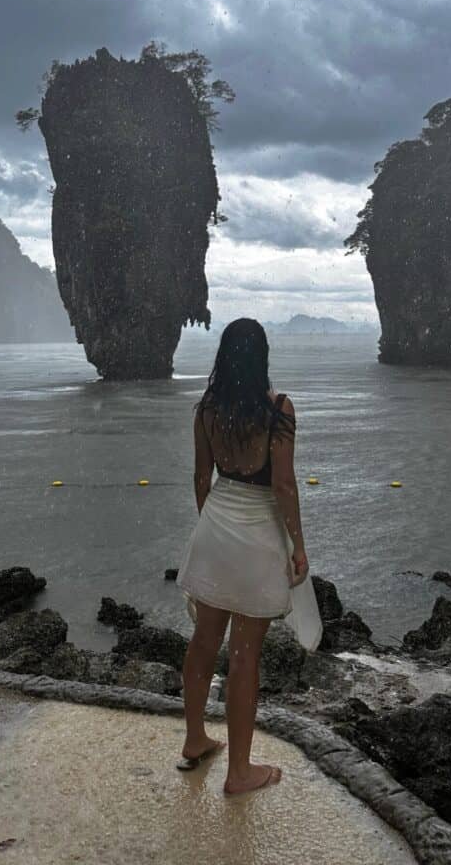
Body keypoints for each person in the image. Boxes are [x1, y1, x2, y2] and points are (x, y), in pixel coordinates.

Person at [174, 317, 323, 795]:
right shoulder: (277, 410)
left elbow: (202, 480)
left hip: (215, 527)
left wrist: (212, 525)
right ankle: (239, 772)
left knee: (203, 641)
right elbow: (282, 485)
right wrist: (298, 545)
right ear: (261, 358)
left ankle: (195, 739)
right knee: (244, 656)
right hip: (258, 534)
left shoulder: (207, 412)